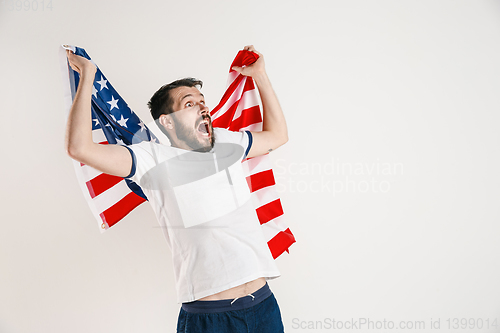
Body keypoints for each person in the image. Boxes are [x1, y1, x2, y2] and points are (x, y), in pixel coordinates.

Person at [65, 45, 288, 332]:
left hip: (263, 308)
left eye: (202, 101)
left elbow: (278, 136)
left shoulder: (225, 141)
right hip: (210, 318)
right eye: (189, 103)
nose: (202, 107)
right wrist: (87, 76)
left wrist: (260, 75)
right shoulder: (150, 159)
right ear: (167, 122)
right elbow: (79, 148)